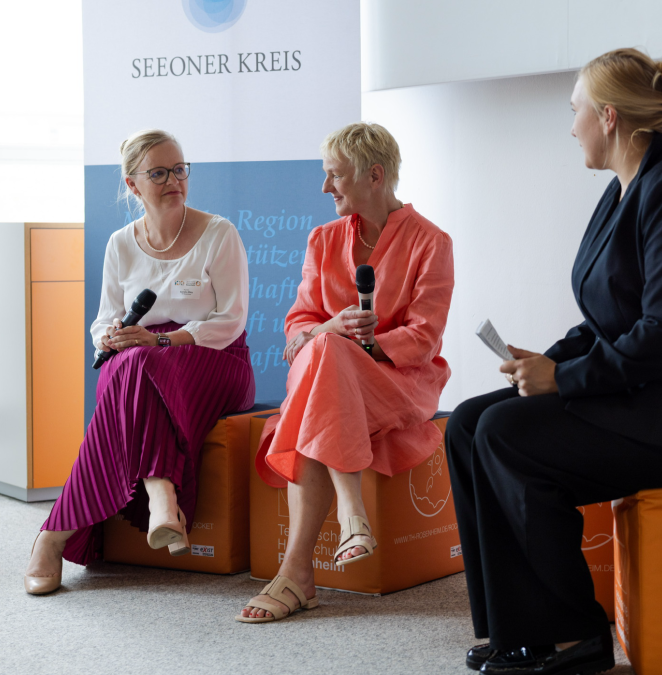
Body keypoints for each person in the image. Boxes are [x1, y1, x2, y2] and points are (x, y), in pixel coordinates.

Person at [445, 48, 662, 675]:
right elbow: (607, 321)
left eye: (573, 111)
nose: (568, 125)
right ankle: (517, 630)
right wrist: (548, 362)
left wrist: (564, 380)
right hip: (654, 389)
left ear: (607, 117)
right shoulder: (625, 188)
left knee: (508, 435)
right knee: (468, 424)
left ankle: (575, 634)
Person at [236, 122, 454, 623]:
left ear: (373, 175)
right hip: (322, 371)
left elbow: (424, 339)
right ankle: (346, 520)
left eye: (333, 176)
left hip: (398, 380)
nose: (324, 188)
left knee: (327, 359)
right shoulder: (322, 238)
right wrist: (332, 329)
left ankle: (297, 573)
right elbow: (297, 327)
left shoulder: (431, 242)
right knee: (326, 354)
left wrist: (368, 342)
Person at [23, 129, 254, 595]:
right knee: (128, 364)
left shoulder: (219, 234)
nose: (175, 180)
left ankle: (52, 537)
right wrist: (108, 337)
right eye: (160, 173)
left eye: (180, 169)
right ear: (133, 185)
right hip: (140, 359)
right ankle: (161, 498)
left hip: (212, 358)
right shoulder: (120, 244)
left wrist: (163, 343)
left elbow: (230, 320)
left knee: (135, 366)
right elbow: (103, 320)